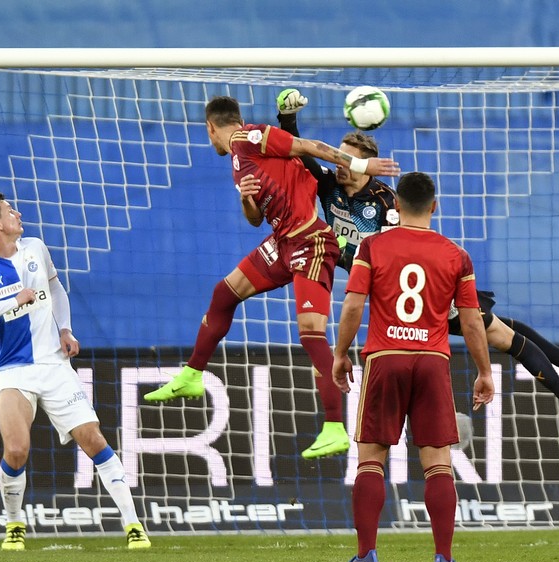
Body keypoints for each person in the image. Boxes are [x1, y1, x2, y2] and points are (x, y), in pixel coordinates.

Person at [277, 89, 559, 453]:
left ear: (368, 166)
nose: (339, 165)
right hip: (408, 301)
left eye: (348, 160)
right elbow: (299, 151)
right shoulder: (329, 185)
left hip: (424, 295)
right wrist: (287, 118)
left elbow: (402, 256)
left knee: (498, 335)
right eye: (339, 158)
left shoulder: (385, 204)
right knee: (497, 328)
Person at [143, 95, 400, 461]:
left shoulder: (250, 138)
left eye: (208, 134)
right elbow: (255, 219)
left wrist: (359, 163)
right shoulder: (239, 160)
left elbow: (310, 147)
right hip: (282, 241)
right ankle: (192, 375)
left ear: (210, 128)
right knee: (224, 293)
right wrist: (247, 201)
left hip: (310, 241)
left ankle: (335, 428)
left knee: (311, 334)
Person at [0, 193, 151, 551]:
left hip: (54, 365)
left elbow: (56, 288)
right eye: (10, 210)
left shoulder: (35, 248)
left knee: (93, 439)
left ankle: (133, 525)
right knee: (16, 450)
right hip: (11, 369)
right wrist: (13, 301)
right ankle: (14, 524)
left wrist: (65, 329)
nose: (18, 213)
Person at [332, 171, 494, 562]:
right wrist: (484, 371)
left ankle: (366, 556)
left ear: (397, 205)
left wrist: (339, 354)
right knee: (437, 462)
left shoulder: (373, 245)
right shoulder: (456, 254)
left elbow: (353, 305)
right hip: (432, 361)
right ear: (434, 207)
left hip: (385, 357)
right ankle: (444, 558)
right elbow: (472, 321)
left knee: (371, 459)